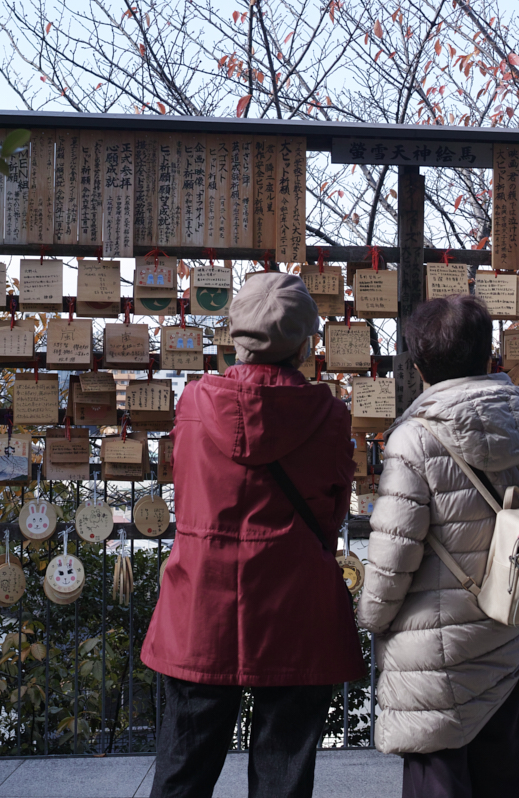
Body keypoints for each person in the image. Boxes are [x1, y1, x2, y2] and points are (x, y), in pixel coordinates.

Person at [142, 272, 363, 798]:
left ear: (235, 335)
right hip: (294, 605)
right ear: (305, 343)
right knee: (283, 775)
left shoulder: (194, 403)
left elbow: (184, 486)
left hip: (201, 602)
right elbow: (332, 512)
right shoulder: (329, 415)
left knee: (182, 770)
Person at [358, 294, 519, 798]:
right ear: (489, 356)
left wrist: (370, 617)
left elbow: (393, 554)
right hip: (507, 632)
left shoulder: (414, 440)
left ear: (418, 366)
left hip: (431, 654)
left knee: (439, 775)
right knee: (501, 770)